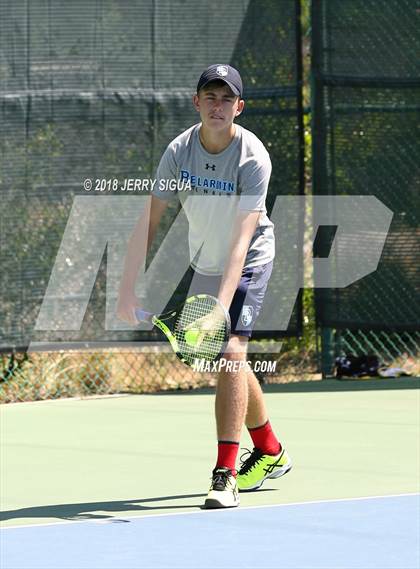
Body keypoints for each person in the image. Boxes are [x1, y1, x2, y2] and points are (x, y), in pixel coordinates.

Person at [117, 64, 292, 509]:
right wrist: (125, 286)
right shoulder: (178, 152)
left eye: (226, 98)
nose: (218, 106)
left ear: (239, 106)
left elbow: (241, 240)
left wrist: (219, 305)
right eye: (210, 97)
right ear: (197, 103)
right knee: (232, 359)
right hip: (205, 259)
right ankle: (269, 448)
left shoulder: (253, 157)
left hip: (249, 256)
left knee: (232, 351)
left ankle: (225, 473)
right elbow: (151, 218)